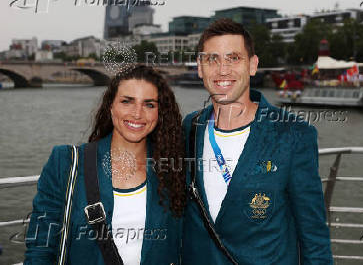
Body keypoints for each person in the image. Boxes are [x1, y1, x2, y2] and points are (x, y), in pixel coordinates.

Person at [182, 19, 333, 264]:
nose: (223, 70)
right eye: (212, 59)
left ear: (252, 65)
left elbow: (313, 237)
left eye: (233, 58)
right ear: (200, 67)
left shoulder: (293, 134)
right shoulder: (189, 128)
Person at [25, 66, 185, 264]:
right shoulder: (66, 162)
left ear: (159, 113)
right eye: (127, 101)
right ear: (111, 106)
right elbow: (40, 245)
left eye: (149, 105)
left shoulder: (172, 169)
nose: (137, 113)